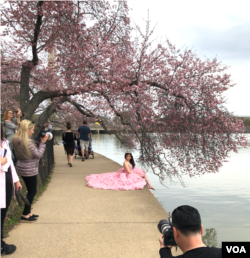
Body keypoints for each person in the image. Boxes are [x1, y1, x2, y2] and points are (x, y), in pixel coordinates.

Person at [12, 120, 48, 221]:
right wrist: (43, 143)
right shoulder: (27, 142)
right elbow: (38, 155)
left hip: (22, 166)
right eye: (32, 130)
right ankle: (25, 214)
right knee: (32, 191)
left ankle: (28, 212)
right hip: (29, 168)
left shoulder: (16, 139)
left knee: (31, 190)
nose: (33, 132)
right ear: (27, 129)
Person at [0, 122, 22, 255]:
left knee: (2, 213)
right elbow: (4, 162)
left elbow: (10, 161)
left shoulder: (4, 141)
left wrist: (16, 179)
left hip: (6, 182)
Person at [86, 153, 155, 190]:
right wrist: (136, 174)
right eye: (127, 156)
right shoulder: (125, 162)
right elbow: (129, 171)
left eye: (129, 156)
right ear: (125, 157)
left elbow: (133, 167)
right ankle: (149, 187)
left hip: (131, 172)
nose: (128, 157)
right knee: (140, 177)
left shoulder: (129, 161)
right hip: (127, 174)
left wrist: (140, 169)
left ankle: (150, 185)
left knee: (143, 173)